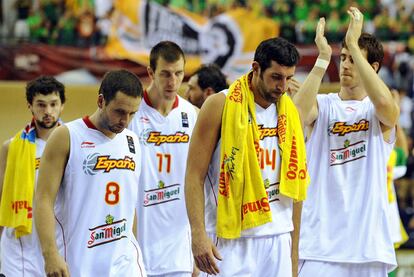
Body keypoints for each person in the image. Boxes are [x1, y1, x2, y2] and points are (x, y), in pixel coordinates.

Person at [185, 32, 325, 275]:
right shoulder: (219, 105)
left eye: (288, 78)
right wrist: (198, 234)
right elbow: (193, 175)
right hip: (230, 238)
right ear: (256, 69)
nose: (282, 87)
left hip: (278, 237)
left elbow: (296, 189)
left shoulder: (289, 112)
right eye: (276, 77)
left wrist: (293, 253)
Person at [295, 7, 399, 276]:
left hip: (368, 248)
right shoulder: (324, 104)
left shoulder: (377, 111)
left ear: (372, 67)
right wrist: (322, 60)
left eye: (353, 59)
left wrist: (353, 41)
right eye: (343, 58)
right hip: (320, 248)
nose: (346, 65)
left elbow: (388, 107)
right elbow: (295, 117)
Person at [34, 70, 147, 277]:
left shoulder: (132, 141)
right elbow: (43, 199)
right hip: (80, 260)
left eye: (132, 113)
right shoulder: (67, 136)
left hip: (125, 260)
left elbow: (130, 204)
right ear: (101, 100)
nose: (125, 120)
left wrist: (134, 241)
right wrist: (50, 254)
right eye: (120, 111)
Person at [128, 41, 198, 276]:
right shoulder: (131, 116)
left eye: (178, 73)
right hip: (139, 249)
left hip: (179, 250)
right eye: (165, 74)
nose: (173, 82)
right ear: (150, 73)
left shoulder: (191, 115)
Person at [0, 76, 65, 277]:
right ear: (30, 106)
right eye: (41, 105)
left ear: (62, 105)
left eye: (53, 104)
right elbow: (2, 199)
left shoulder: (74, 145)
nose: (48, 111)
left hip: (59, 244)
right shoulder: (11, 147)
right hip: (19, 245)